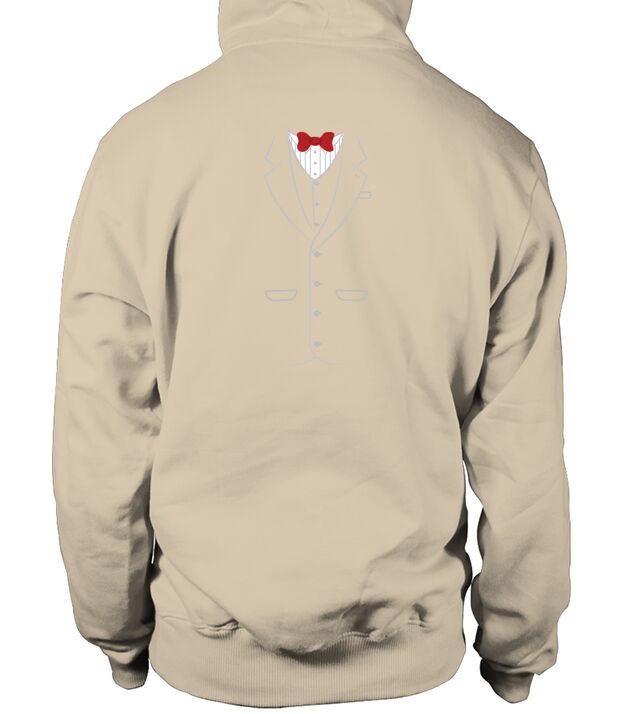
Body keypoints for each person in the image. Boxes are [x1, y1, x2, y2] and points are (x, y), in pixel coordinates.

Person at [52, 0, 571, 706]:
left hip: (200, 652)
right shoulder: (495, 155)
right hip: (416, 659)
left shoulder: (139, 151)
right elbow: (522, 446)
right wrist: (516, 647)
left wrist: (115, 629)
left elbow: (102, 427)